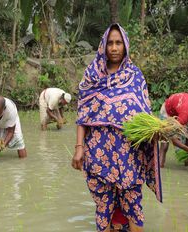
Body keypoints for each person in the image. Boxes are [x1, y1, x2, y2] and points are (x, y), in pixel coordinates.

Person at [71, 24, 162, 232]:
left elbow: (144, 113)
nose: (114, 48)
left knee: (133, 203)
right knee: (104, 205)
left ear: (125, 46)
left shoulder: (135, 75)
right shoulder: (92, 75)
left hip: (128, 154)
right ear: (103, 46)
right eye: (110, 43)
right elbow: (83, 114)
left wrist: (156, 131)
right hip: (98, 153)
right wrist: (79, 147)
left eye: (118, 43)